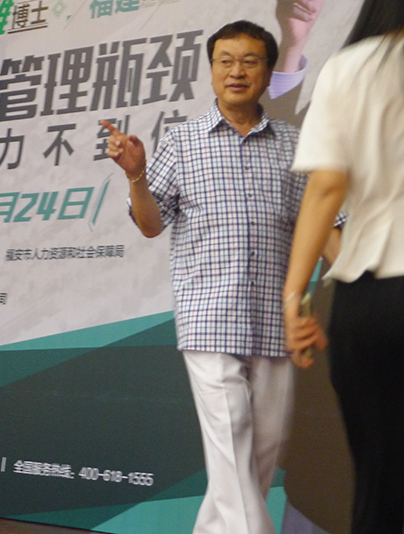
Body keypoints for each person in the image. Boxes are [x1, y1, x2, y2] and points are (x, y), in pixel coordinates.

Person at [101, 20, 340, 534]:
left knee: (259, 455)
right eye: (225, 61)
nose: (236, 71)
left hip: (276, 320)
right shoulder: (182, 141)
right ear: (211, 71)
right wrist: (136, 175)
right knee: (231, 441)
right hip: (209, 316)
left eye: (250, 61)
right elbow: (150, 224)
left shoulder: (297, 144)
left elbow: (326, 229)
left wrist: (362, 285)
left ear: (269, 73)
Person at [282, 0, 404, 531]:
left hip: (373, 295)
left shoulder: (351, 67)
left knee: (381, 482)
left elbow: (325, 188)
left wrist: (295, 297)